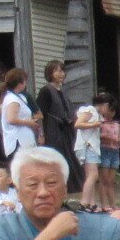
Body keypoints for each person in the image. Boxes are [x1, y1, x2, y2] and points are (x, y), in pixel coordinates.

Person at [35, 61, 82, 191]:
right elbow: (40, 115)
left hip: (66, 132)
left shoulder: (63, 91)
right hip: (53, 132)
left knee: (69, 161)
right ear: (50, 73)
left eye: (62, 71)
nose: (61, 74)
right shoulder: (46, 91)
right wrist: (41, 134)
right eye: (57, 71)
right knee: (55, 160)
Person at [74, 102, 106, 208]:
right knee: (93, 175)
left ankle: (91, 203)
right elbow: (78, 124)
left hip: (91, 146)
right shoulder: (90, 110)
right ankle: (84, 202)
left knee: (89, 176)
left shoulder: (97, 114)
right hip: (88, 146)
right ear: (104, 105)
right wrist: (94, 125)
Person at [96, 96, 120, 210]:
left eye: (113, 111)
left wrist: (119, 141)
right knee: (103, 180)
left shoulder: (117, 124)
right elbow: (97, 136)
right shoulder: (100, 123)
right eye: (109, 110)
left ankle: (112, 204)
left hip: (115, 151)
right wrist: (106, 137)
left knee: (111, 181)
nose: (111, 113)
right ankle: (103, 205)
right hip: (105, 150)